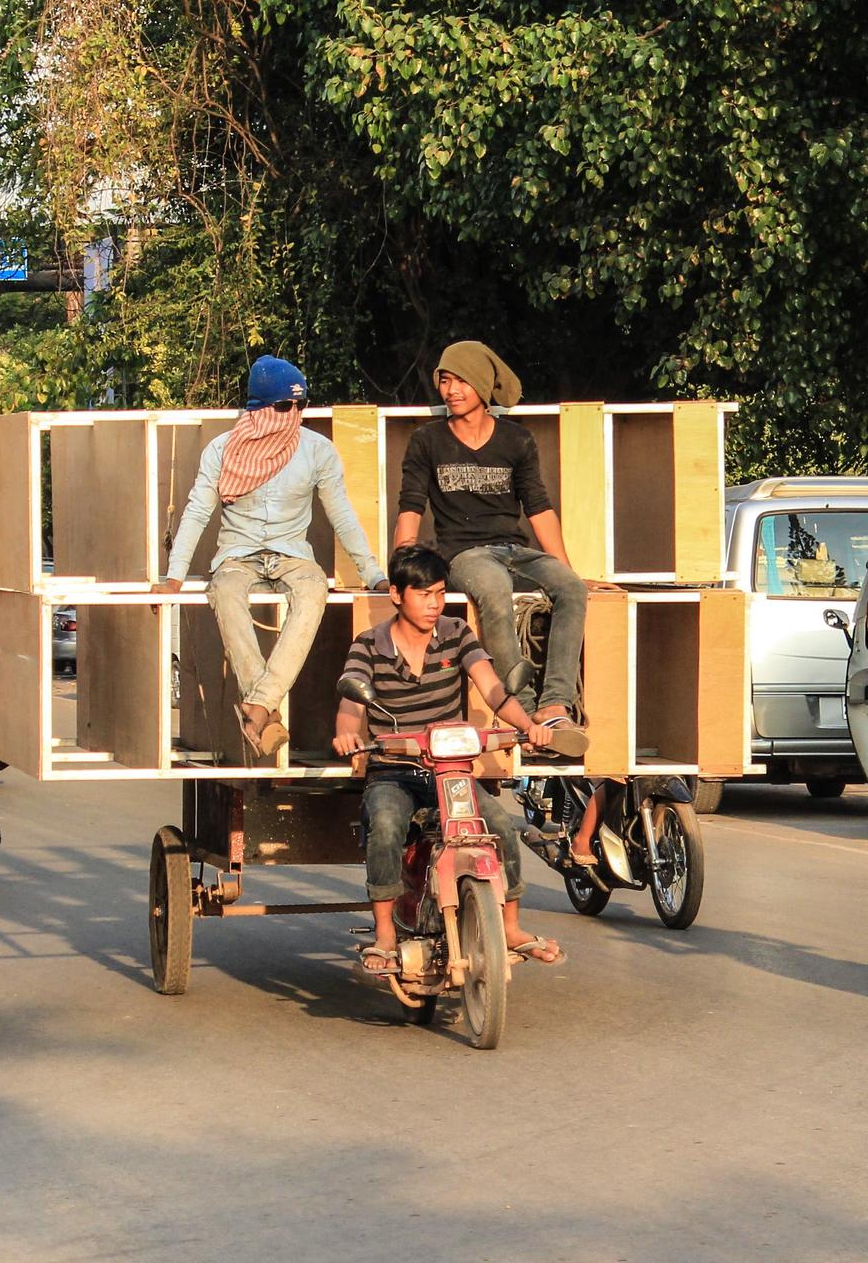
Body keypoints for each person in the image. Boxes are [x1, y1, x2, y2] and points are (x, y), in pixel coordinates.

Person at [332, 544, 582, 974]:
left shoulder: (456, 633)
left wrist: (529, 725)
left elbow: (492, 689)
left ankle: (511, 927)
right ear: (396, 594)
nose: (434, 604)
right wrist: (346, 733)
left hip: (450, 772)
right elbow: (351, 703)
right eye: (423, 594)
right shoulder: (368, 645)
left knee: (500, 825)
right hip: (394, 770)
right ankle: (385, 936)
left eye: (440, 593)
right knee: (386, 824)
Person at [160, 355, 388, 756]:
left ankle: (258, 705)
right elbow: (197, 510)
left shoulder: (318, 450)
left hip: (292, 553)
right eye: (285, 406)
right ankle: (264, 704)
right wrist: (173, 576)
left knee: (315, 590)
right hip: (237, 553)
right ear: (260, 408)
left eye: (301, 405)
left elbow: (343, 515)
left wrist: (373, 573)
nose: (294, 414)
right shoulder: (222, 450)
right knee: (225, 593)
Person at [393, 341, 589, 749]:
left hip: (514, 549)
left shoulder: (516, 441)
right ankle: (523, 707)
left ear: (482, 385)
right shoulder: (427, 441)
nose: (451, 390)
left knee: (572, 588)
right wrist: (400, 567)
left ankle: (555, 705)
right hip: (463, 554)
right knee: (494, 590)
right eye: (444, 380)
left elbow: (539, 508)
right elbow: (410, 507)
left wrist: (569, 569)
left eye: (461, 380)